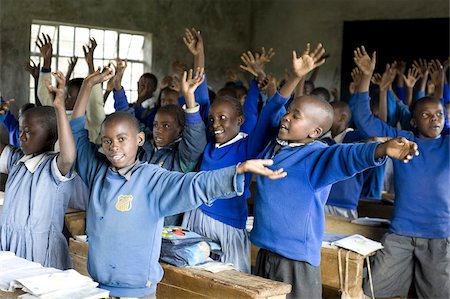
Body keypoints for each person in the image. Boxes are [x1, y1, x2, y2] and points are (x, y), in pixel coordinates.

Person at [68, 66, 285, 298]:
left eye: (122, 139)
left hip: (138, 291)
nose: (114, 147)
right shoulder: (97, 171)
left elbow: (195, 184)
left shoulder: (152, 178)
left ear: (140, 139)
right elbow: (77, 133)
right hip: (99, 286)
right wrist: (87, 87)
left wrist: (238, 170)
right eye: (107, 141)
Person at [250, 91, 418, 299]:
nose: (286, 117)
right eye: (288, 111)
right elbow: (270, 114)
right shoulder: (276, 147)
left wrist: (381, 149)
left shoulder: (316, 156)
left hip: (295, 261)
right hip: (266, 251)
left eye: (296, 115)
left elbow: (347, 156)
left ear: (315, 131)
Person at [182, 43, 326, 273]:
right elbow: (199, 94)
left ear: (240, 121)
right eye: (212, 119)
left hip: (227, 225)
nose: (215, 124)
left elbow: (271, 110)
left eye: (222, 118)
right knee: (193, 277)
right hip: (196, 216)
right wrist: (199, 55)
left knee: (231, 281)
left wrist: (296, 78)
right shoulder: (210, 140)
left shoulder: (248, 146)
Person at [351, 46, 450, 299]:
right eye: (426, 115)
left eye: (439, 114)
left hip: (441, 236)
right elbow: (365, 120)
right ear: (414, 121)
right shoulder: (403, 140)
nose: (435, 119)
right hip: (401, 234)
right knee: (370, 291)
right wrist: (365, 78)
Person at [0, 71, 76, 269]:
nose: (21, 137)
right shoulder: (18, 160)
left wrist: (59, 108)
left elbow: (68, 156)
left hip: (40, 251)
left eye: (28, 132)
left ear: (51, 134)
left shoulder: (54, 167)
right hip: (10, 245)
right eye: (20, 130)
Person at [322, 101, 370, 219]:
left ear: (342, 117)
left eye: (330, 114)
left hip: (346, 204)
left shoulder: (357, 137)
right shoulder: (322, 140)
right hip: (322, 200)